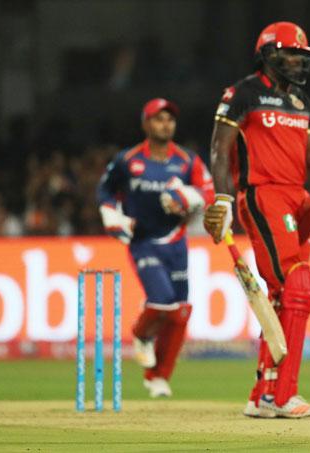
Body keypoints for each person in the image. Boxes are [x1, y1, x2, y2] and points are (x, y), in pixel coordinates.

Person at [203, 21, 310, 419]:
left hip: (298, 199)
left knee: (281, 296)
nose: (298, 63)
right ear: (268, 54)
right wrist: (221, 197)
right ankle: (285, 394)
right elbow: (219, 150)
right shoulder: (243, 93)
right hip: (263, 193)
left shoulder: (301, 102)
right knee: (298, 285)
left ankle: (263, 393)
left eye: (303, 57)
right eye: (291, 54)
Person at [97, 98, 215, 397]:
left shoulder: (187, 161)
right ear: (146, 124)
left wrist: (192, 197)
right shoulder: (129, 159)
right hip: (143, 241)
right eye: (158, 119)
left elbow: (208, 190)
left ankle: (158, 376)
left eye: (170, 120)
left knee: (181, 312)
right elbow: (105, 189)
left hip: (176, 242)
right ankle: (140, 335)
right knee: (162, 301)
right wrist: (112, 214)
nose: (165, 124)